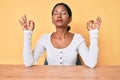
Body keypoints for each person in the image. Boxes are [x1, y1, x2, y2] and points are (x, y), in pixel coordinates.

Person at [19, 2, 102, 68]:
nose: (59, 16)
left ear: (70, 19)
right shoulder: (44, 39)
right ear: (52, 20)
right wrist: (27, 33)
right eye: (55, 14)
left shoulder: (78, 39)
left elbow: (91, 63)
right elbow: (28, 62)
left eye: (63, 13)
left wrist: (93, 33)